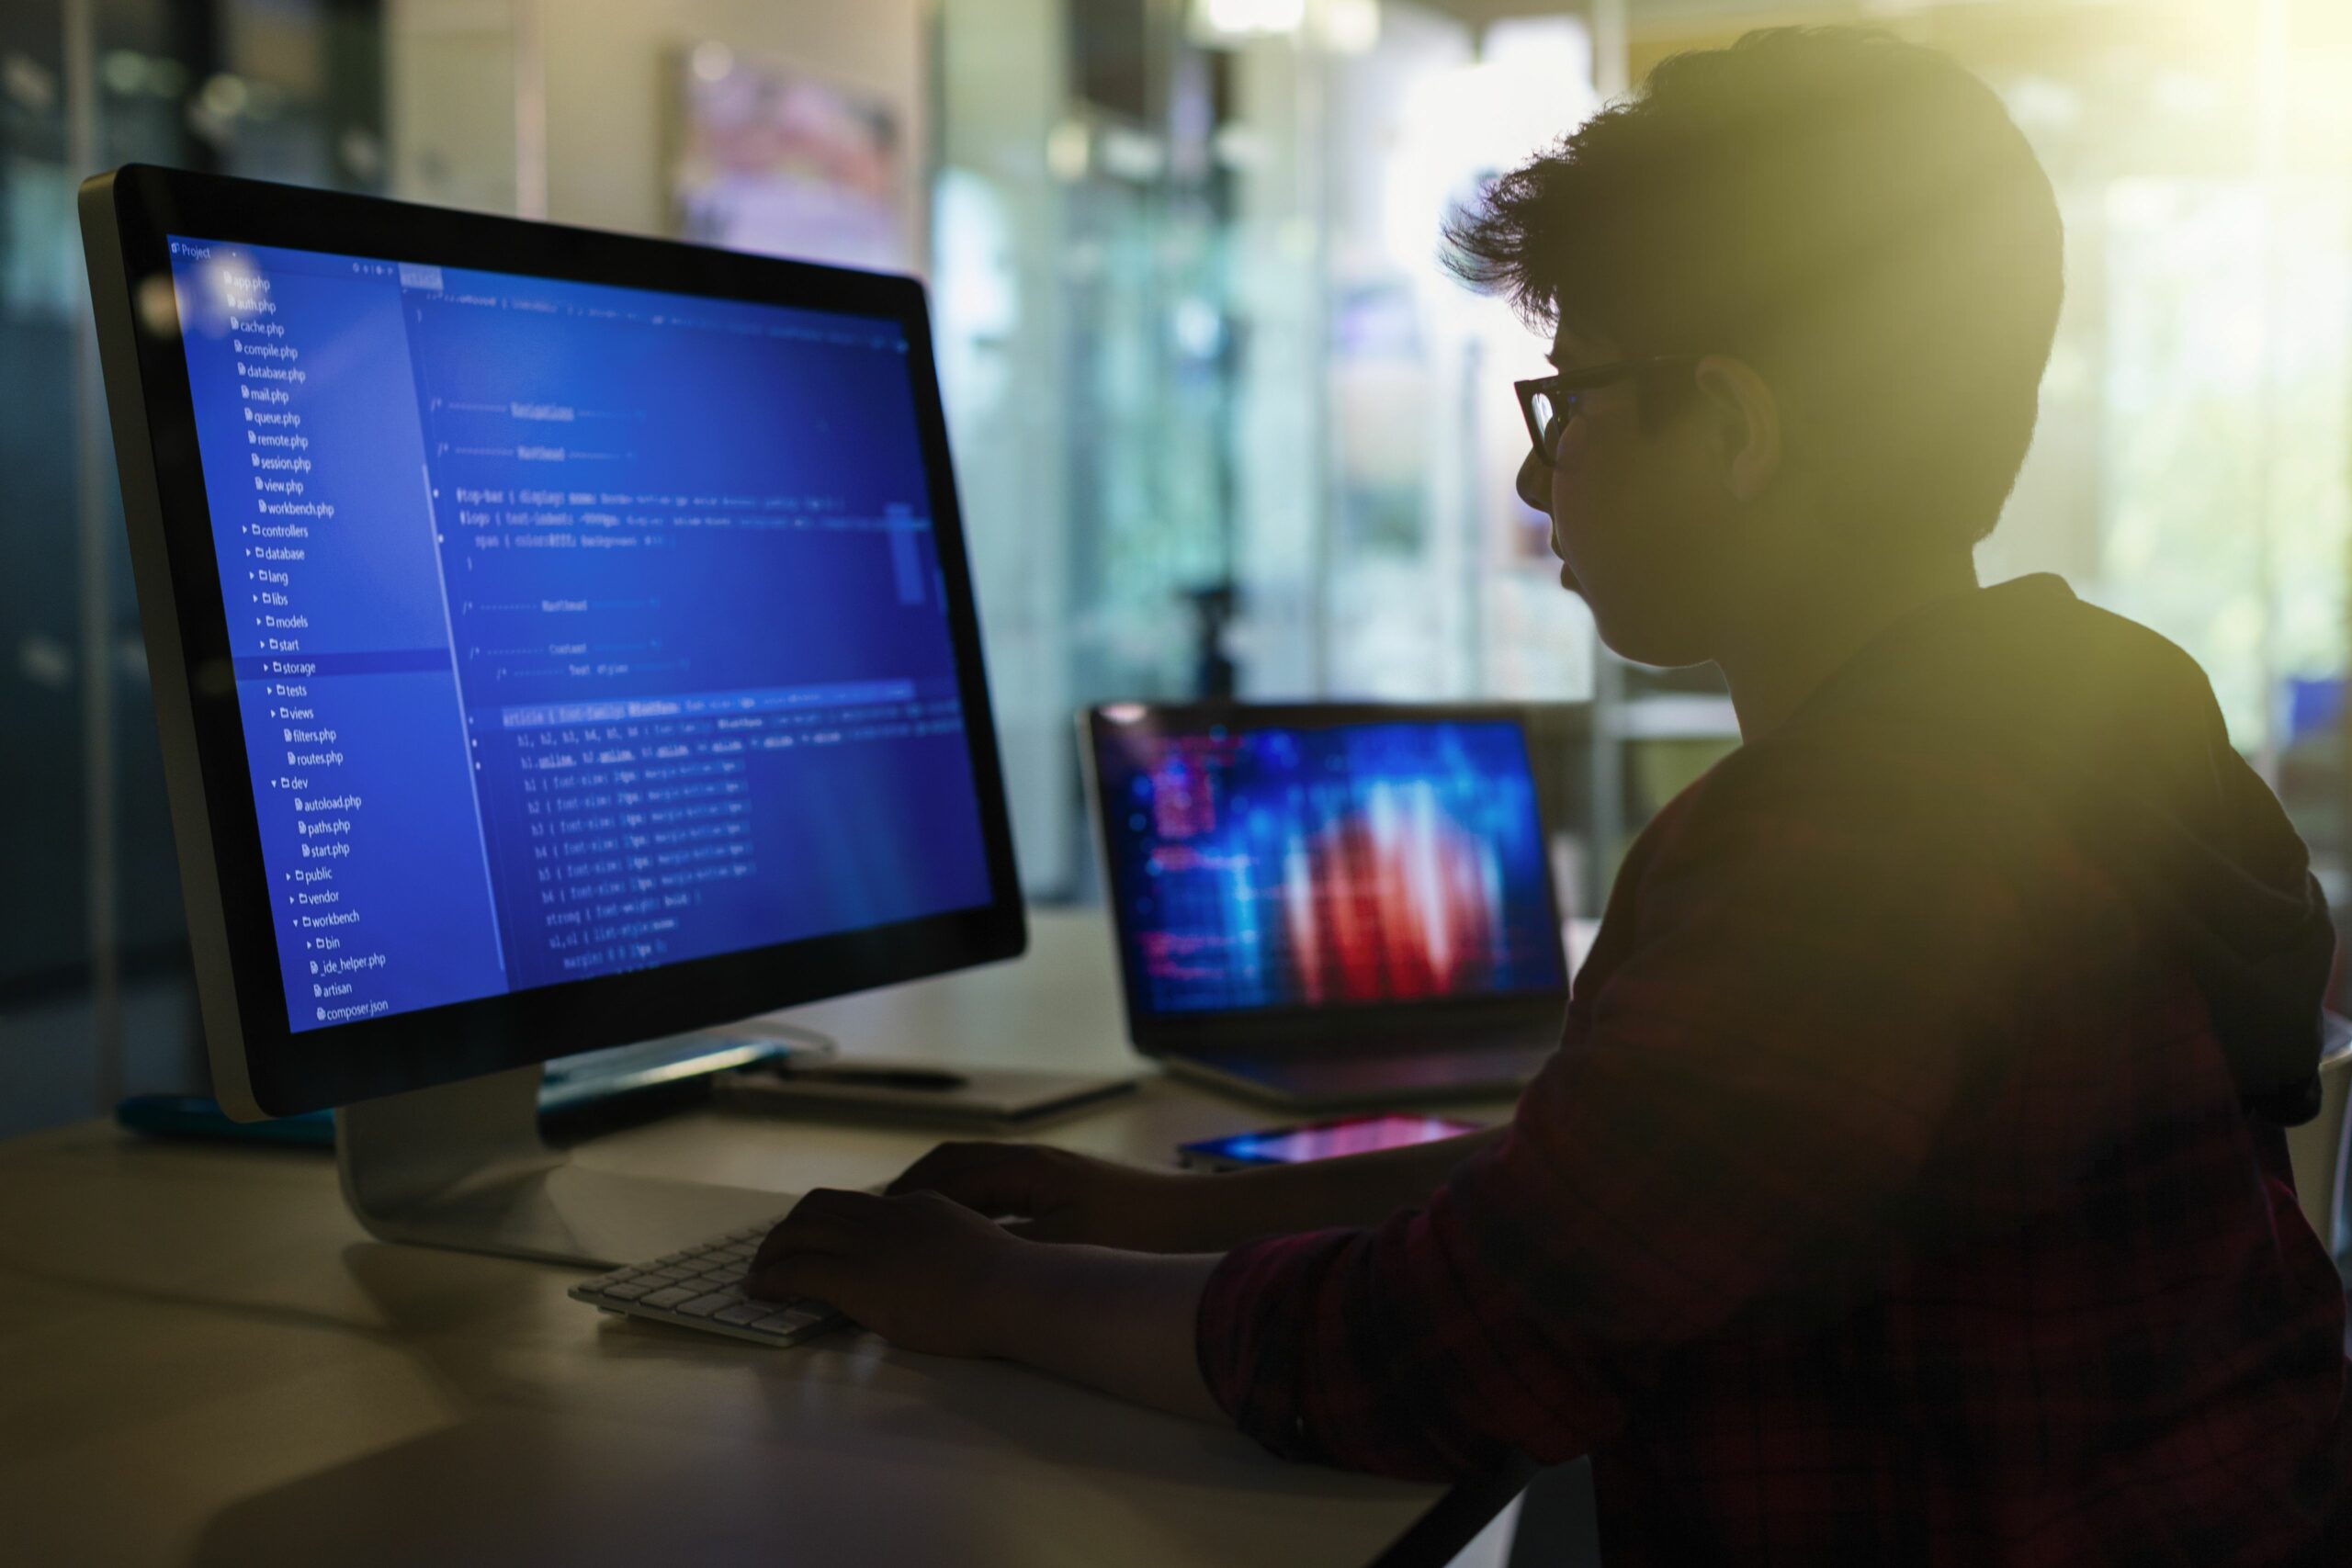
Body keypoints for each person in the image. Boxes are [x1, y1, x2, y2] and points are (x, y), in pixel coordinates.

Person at [746, 26, 2352, 1562]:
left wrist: (990, 1298)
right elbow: (1598, 1202)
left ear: (1730, 423)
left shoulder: (1852, 849)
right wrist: (1149, 1218)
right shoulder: (2077, 721)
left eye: (1567, 403)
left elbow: (1450, 1350)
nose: (1533, 476)